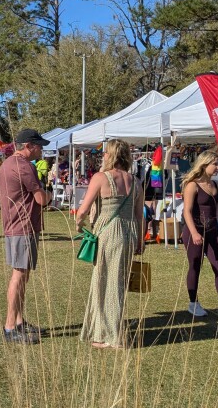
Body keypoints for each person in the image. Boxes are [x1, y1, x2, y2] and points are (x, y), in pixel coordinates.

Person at [76, 139, 144, 349]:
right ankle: (110, 330)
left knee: (104, 282)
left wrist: (79, 224)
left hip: (108, 232)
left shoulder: (101, 178)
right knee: (119, 282)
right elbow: (139, 215)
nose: (103, 156)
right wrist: (140, 239)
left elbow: (83, 210)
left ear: (112, 155)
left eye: (106, 153)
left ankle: (107, 335)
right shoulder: (136, 181)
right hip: (129, 232)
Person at [0, 129, 52, 344]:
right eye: (39, 146)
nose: (41, 150)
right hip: (23, 227)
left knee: (22, 274)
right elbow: (41, 200)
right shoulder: (26, 167)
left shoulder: (7, 164)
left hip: (13, 226)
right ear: (28, 145)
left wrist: (12, 203)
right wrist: (50, 194)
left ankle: (18, 321)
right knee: (19, 275)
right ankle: (10, 327)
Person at [180, 150, 218, 320]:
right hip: (195, 231)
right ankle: (193, 303)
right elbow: (187, 211)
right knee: (195, 266)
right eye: (214, 164)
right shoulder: (192, 184)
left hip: (213, 231)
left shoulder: (215, 185)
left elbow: (216, 211)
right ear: (204, 164)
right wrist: (194, 233)